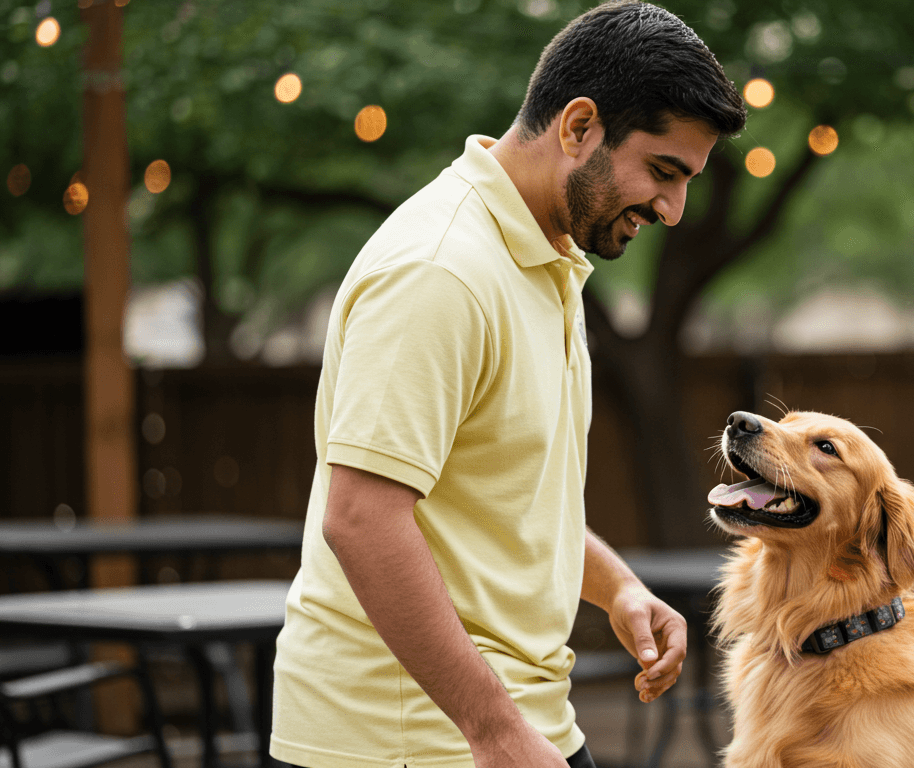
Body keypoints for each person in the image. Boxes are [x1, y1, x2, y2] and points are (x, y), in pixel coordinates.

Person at [268, 3, 748, 768]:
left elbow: (503, 497)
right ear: (579, 126)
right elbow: (361, 518)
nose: (673, 208)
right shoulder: (440, 271)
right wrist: (492, 730)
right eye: (663, 172)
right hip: (405, 744)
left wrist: (618, 588)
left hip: (516, 727)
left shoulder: (545, 258)